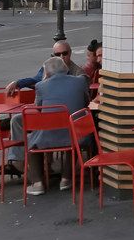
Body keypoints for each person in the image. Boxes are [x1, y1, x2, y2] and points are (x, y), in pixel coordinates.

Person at [6, 57, 90, 195]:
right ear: (66, 69)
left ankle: (38, 183)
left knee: (32, 142)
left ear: (47, 73)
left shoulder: (41, 86)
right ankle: (66, 179)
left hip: (49, 135)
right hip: (77, 133)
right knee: (72, 141)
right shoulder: (80, 81)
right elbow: (86, 102)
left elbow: (38, 109)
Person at [5, 40, 87, 96]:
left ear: (70, 53)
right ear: (53, 55)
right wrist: (17, 83)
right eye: (58, 54)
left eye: (64, 53)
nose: (61, 57)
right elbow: (36, 80)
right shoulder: (48, 68)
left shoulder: (78, 73)